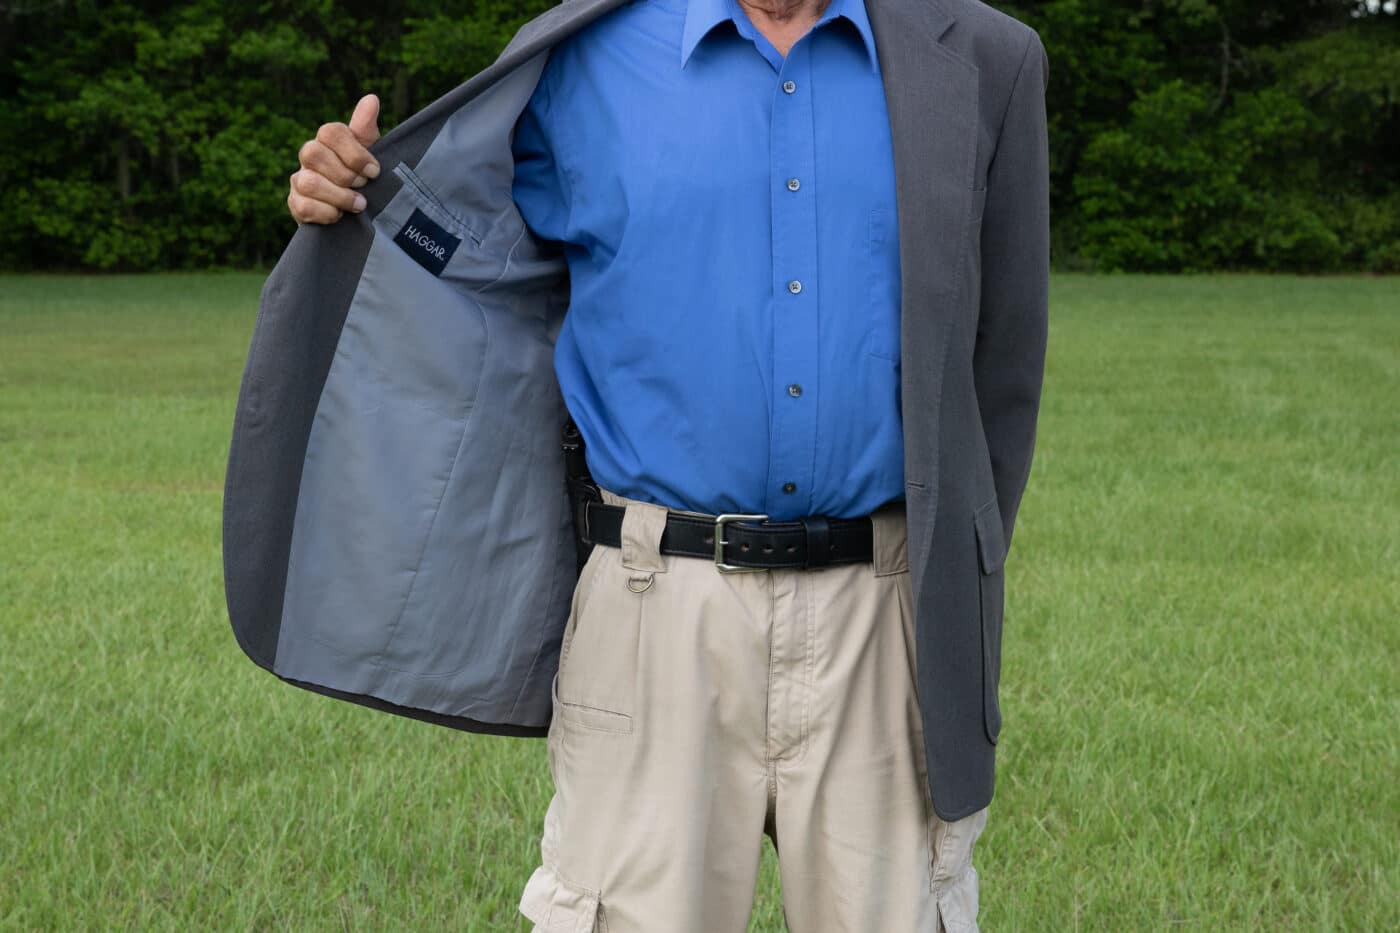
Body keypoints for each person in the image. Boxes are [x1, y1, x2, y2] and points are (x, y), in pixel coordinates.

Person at [281, 0, 1048, 928]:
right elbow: (486, 266)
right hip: (651, 608)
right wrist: (363, 201)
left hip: (883, 620)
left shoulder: (985, 57)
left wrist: (940, 577)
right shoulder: (582, 55)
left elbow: (1002, 364)